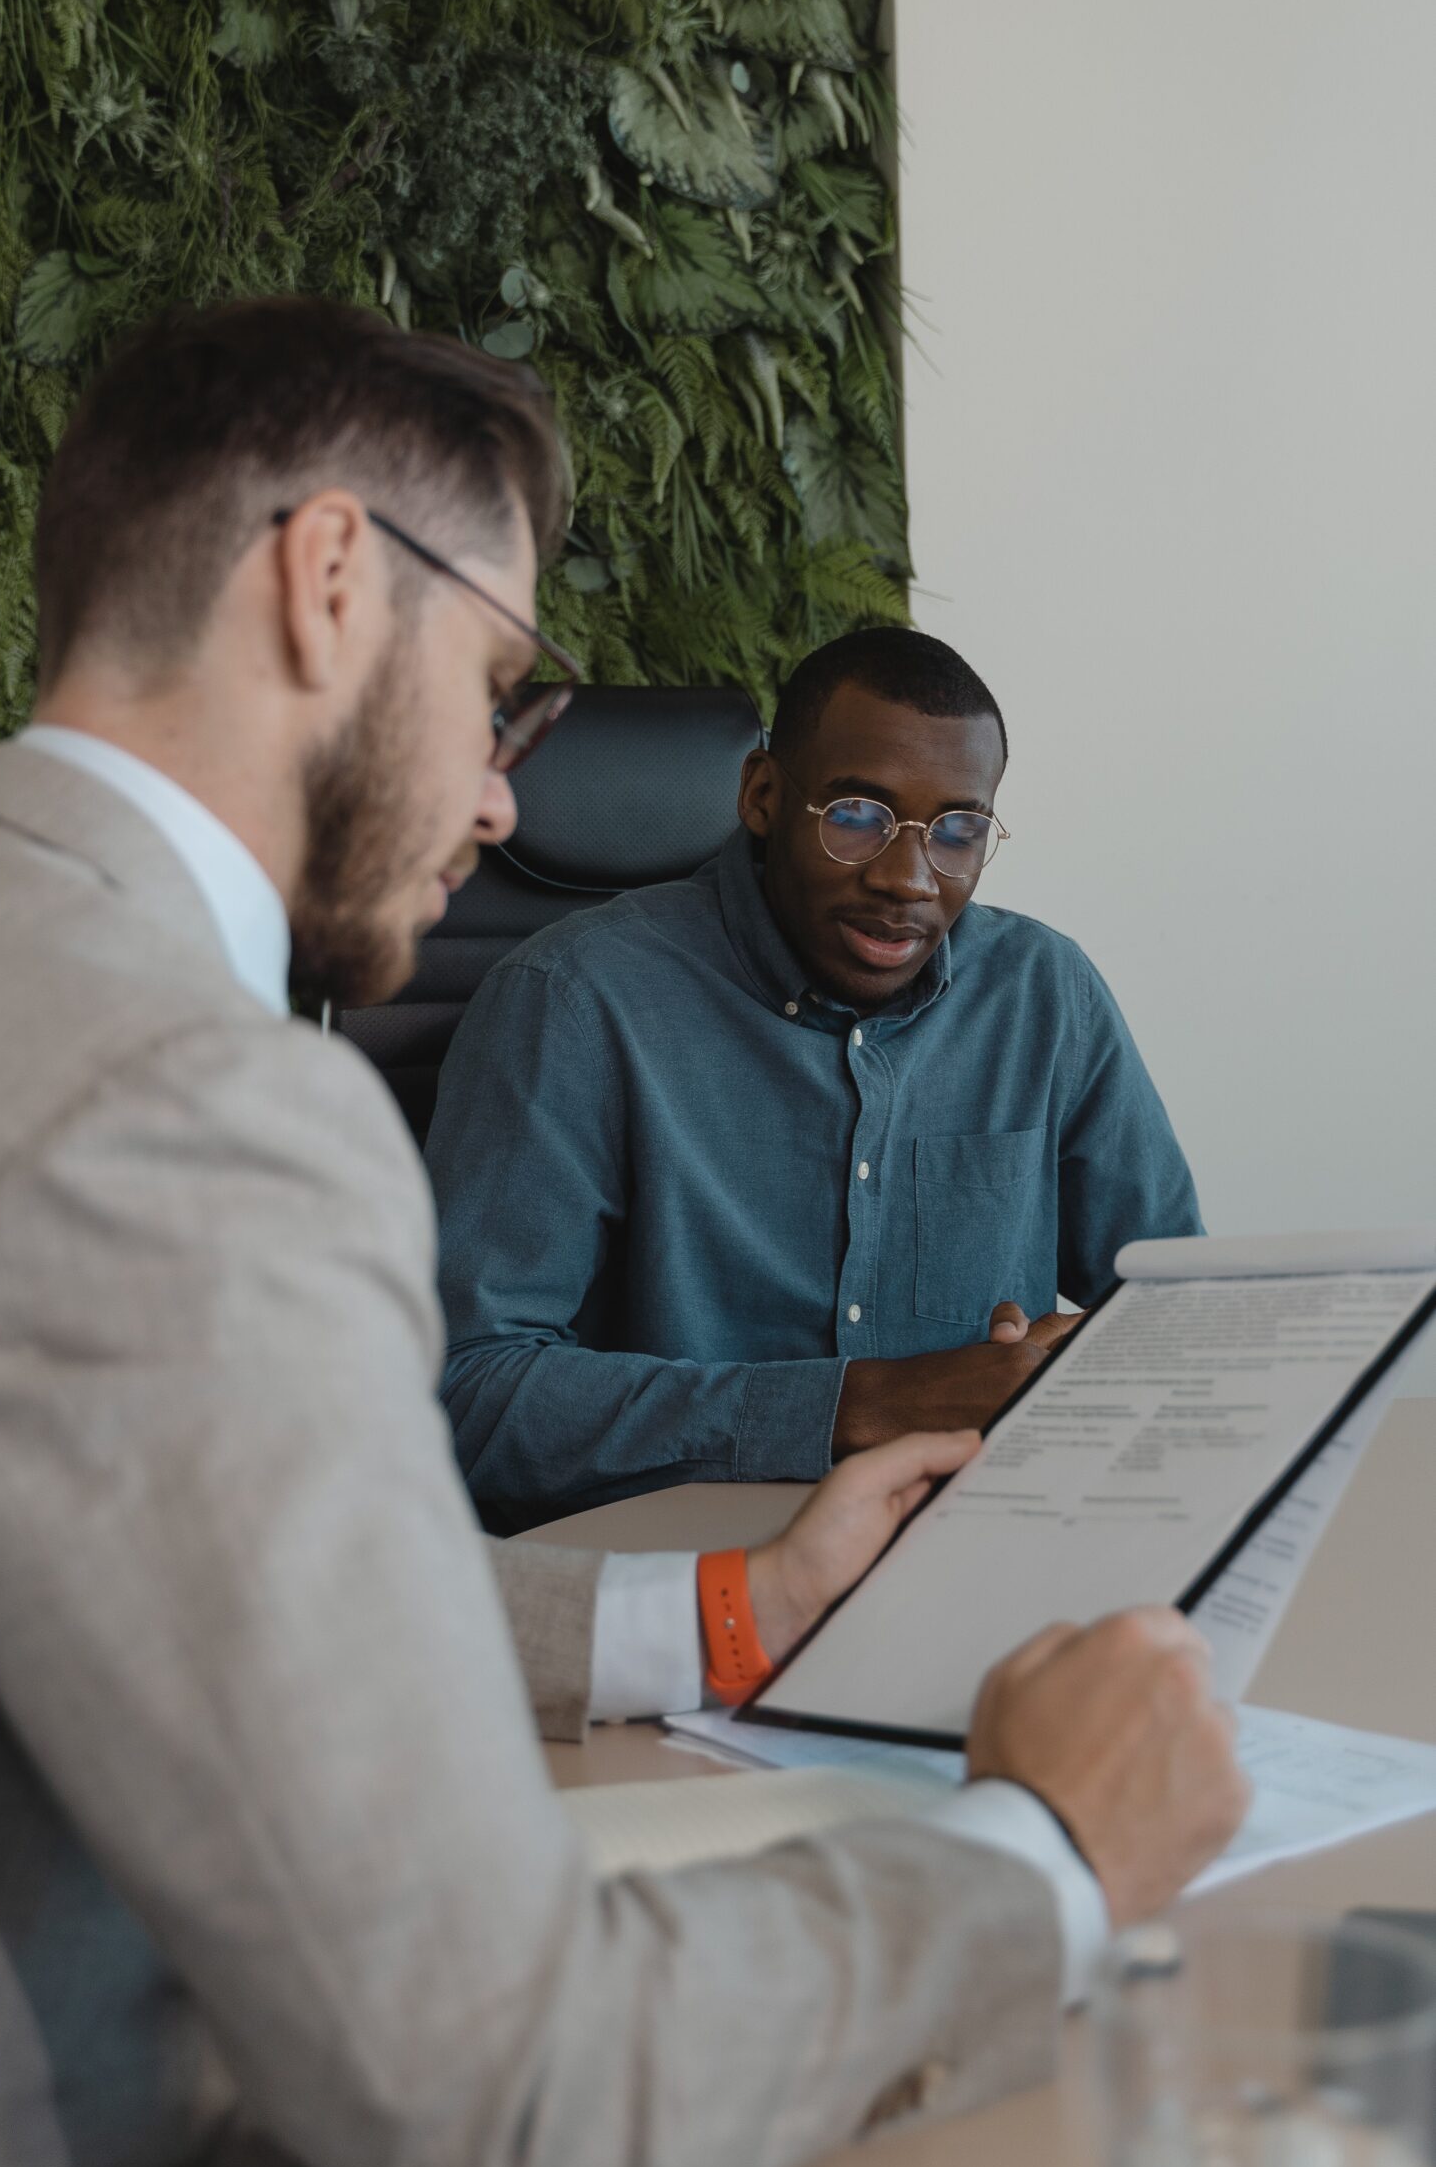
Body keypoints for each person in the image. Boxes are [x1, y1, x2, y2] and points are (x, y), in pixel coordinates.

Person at [0, 298, 1246, 2167]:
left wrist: (713, 1617)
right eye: (502, 692)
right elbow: (502, 2111)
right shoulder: (177, 1106)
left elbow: (198, 1604)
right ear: (332, 576)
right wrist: (1042, 1849)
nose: (507, 800)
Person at [427, 627, 1201, 1525]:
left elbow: (1180, 1318)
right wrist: (858, 1406)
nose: (909, 879)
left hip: (971, 1553)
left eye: (958, 831)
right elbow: (460, 1395)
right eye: (857, 816)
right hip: (677, 1586)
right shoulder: (571, 1002)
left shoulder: (1042, 993)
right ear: (761, 795)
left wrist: (1086, 1360)